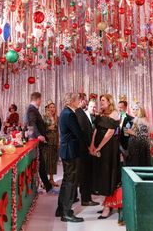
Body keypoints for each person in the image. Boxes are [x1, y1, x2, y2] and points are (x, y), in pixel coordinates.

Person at [56, 92, 87, 223]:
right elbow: (78, 132)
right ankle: (67, 213)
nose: (78, 102)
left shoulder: (65, 112)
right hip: (70, 151)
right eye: (77, 100)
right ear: (72, 101)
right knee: (70, 182)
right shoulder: (69, 114)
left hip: (66, 150)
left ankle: (61, 209)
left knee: (66, 181)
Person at [90, 94, 120, 220]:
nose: (100, 102)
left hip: (108, 148)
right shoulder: (100, 113)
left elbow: (110, 133)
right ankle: (106, 204)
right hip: (98, 146)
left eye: (103, 100)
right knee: (101, 174)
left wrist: (99, 147)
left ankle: (108, 207)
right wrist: (92, 144)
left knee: (107, 174)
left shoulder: (114, 113)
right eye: (100, 100)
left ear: (109, 101)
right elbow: (96, 130)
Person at [24, 92, 58, 194]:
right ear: (38, 99)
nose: (41, 102)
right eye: (40, 100)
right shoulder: (31, 109)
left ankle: (46, 187)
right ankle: (47, 187)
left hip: (39, 141)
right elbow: (32, 123)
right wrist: (38, 135)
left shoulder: (32, 109)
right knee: (41, 164)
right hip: (36, 141)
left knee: (41, 165)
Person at [75, 94, 99, 206]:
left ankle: (86, 197)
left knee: (85, 174)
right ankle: (85, 199)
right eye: (83, 99)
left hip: (85, 149)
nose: (84, 101)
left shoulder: (81, 113)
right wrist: (89, 146)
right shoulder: (79, 113)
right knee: (84, 175)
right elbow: (83, 133)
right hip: (84, 150)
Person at [42, 100, 59, 186]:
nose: (52, 109)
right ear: (48, 108)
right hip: (47, 141)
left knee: (53, 160)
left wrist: (58, 142)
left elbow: (58, 131)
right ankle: (44, 181)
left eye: (53, 107)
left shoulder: (57, 117)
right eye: (51, 107)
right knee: (46, 160)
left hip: (54, 141)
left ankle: (51, 179)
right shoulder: (45, 117)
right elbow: (42, 129)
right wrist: (49, 128)